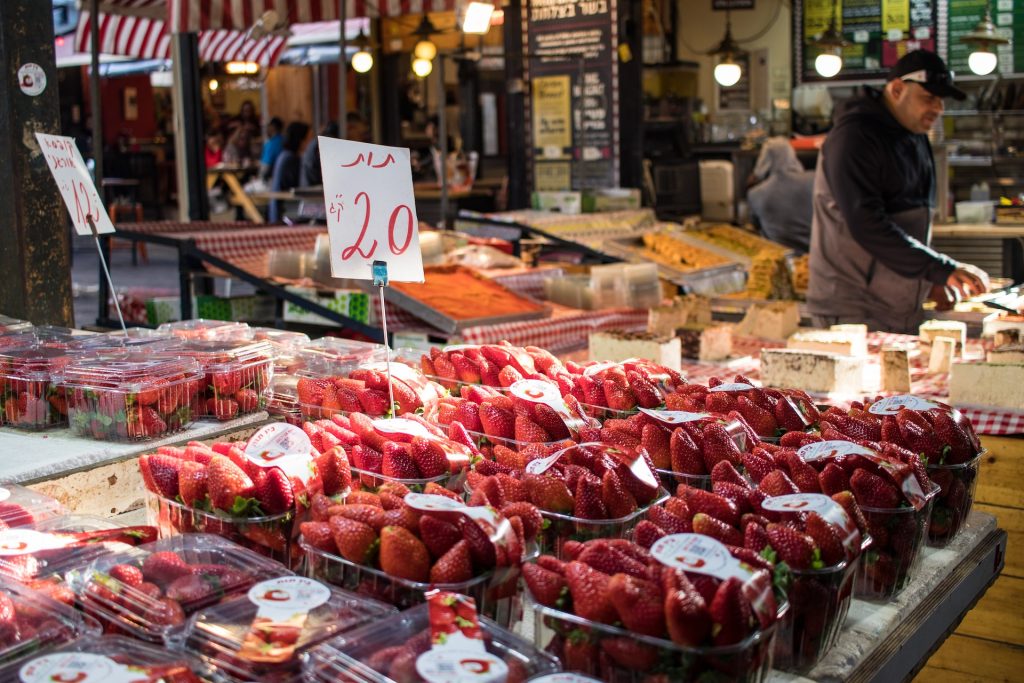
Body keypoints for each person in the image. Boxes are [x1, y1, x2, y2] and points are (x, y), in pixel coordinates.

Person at [807, 50, 990, 333]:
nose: (938, 108)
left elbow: (908, 226)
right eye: (929, 98)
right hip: (853, 310)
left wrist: (927, 284)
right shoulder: (854, 137)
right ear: (897, 89)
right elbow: (867, 224)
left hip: (896, 305)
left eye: (941, 100)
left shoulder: (913, 135)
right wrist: (939, 268)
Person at [747, 137, 814, 253]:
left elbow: (755, 226)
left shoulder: (755, 194)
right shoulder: (814, 180)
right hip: (815, 254)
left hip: (780, 256)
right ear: (792, 155)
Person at [300, 113, 370, 187]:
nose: (361, 140)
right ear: (350, 128)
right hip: (315, 195)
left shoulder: (326, 139)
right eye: (360, 134)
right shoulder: (330, 143)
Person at [269, 121, 310, 223]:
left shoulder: (285, 155)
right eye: (308, 138)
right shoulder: (290, 158)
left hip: (279, 210)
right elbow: (300, 186)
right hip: (285, 213)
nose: (310, 142)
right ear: (300, 140)